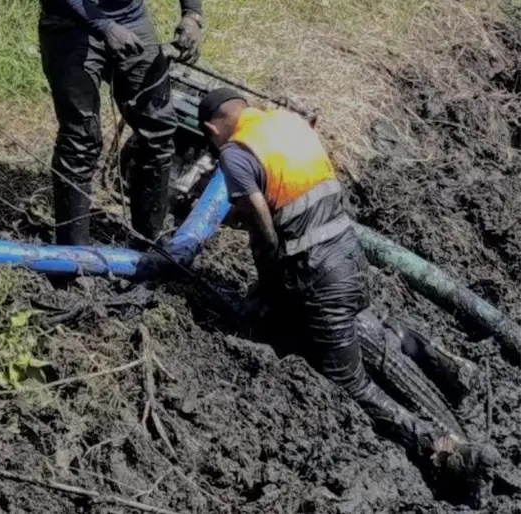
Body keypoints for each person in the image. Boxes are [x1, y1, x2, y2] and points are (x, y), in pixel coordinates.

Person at [196, 87, 496, 500]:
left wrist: (266, 287)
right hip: (349, 255)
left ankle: (441, 450)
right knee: (366, 330)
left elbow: (264, 230)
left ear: (212, 128)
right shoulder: (287, 122)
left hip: (316, 271)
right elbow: (292, 188)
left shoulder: (234, 153)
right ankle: (447, 368)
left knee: (348, 381)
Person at [39, 0, 203, 246]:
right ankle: (71, 257)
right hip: (69, 24)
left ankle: (149, 243)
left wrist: (192, 15)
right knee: (81, 139)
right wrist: (104, 25)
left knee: (158, 129)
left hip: (130, 19)